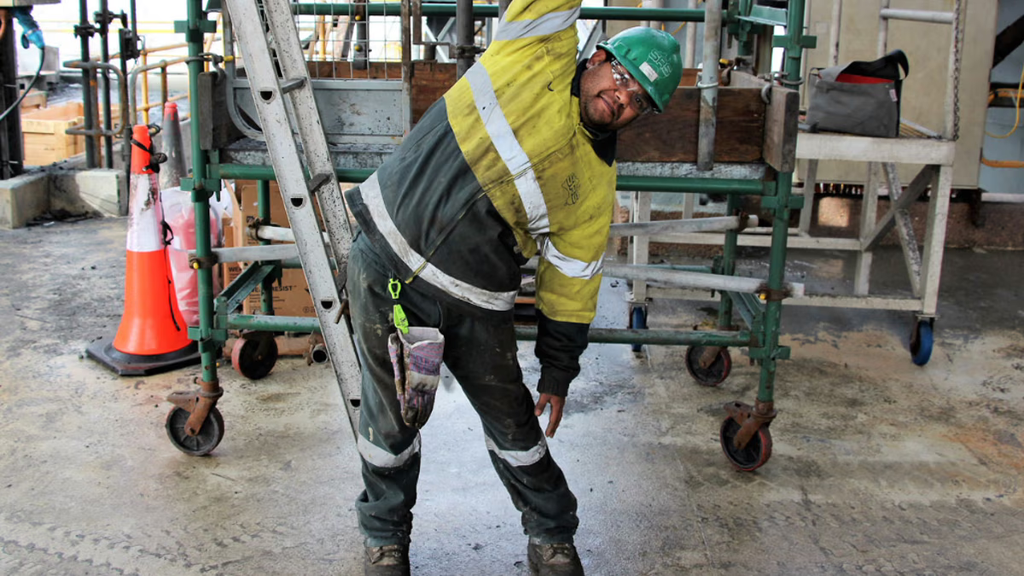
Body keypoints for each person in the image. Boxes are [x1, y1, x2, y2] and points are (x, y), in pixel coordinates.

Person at [342, 0, 682, 571]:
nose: (622, 98)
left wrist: (558, 372)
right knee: (388, 420)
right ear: (598, 57)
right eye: (623, 77)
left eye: (638, 101)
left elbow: (570, 287)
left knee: (515, 427)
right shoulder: (536, 49)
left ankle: (552, 535)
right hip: (384, 265)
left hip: (474, 303)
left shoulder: (595, 188)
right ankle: (385, 539)